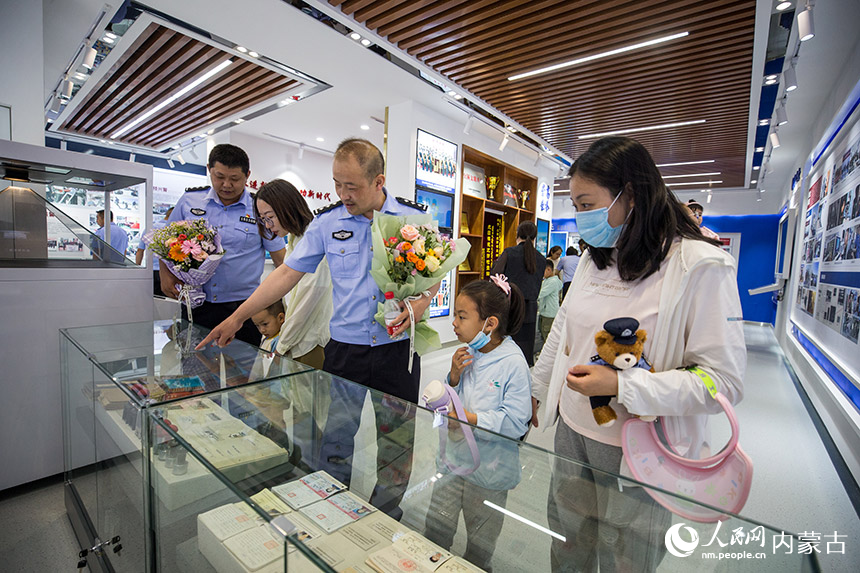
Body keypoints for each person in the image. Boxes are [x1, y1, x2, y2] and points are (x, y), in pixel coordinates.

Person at [531, 136, 744, 572]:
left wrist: (623, 384)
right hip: (572, 429)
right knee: (569, 542)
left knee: (625, 555)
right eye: (575, 205)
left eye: (587, 204)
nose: (581, 217)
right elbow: (564, 330)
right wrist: (537, 387)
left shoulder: (699, 266)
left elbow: (722, 382)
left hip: (640, 448)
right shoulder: (595, 259)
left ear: (630, 195)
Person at [197, 138, 440, 519]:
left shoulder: (416, 220)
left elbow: (435, 273)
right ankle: (332, 512)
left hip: (397, 351)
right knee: (336, 439)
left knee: (397, 444)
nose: (343, 194)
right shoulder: (328, 223)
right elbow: (286, 274)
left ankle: (385, 516)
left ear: (378, 182)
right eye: (337, 184)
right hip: (345, 351)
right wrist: (237, 317)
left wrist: (422, 302)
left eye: (352, 186)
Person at [423, 276, 531, 571]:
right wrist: (453, 378)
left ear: (490, 323)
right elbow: (453, 399)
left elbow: (516, 422)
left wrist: (470, 419)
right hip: (452, 462)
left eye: (462, 316)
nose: (454, 323)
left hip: (488, 473)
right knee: (435, 529)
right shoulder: (467, 352)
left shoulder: (513, 363)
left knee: (480, 544)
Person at [160, 144, 286, 345]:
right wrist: (165, 274)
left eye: (234, 179)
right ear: (209, 170)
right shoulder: (190, 201)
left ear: (247, 176)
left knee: (244, 364)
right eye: (219, 177)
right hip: (197, 302)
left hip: (244, 308)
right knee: (194, 359)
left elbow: (281, 259)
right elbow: (165, 241)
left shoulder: (259, 208)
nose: (226, 185)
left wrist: (284, 304)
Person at [254, 179, 332, 370]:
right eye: (263, 219)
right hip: (296, 339)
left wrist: (281, 346)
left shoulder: (313, 241)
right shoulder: (294, 239)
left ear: (286, 208)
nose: (268, 225)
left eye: (270, 217)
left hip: (309, 342)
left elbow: (306, 304)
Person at [490, 221, 546, 366]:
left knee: (506, 343)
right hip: (530, 309)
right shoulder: (541, 259)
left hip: (510, 306)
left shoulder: (509, 253)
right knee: (525, 347)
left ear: (517, 234)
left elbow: (495, 275)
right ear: (534, 237)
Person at [136, 207, 173, 296]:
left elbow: (140, 250)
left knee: (150, 298)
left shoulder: (150, 228)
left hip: (151, 270)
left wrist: (137, 268)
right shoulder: (173, 229)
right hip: (168, 271)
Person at [537, 257, 563, 347]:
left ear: (548, 269)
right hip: (544, 312)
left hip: (549, 314)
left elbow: (540, 293)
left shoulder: (553, 282)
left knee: (547, 335)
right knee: (542, 332)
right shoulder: (547, 280)